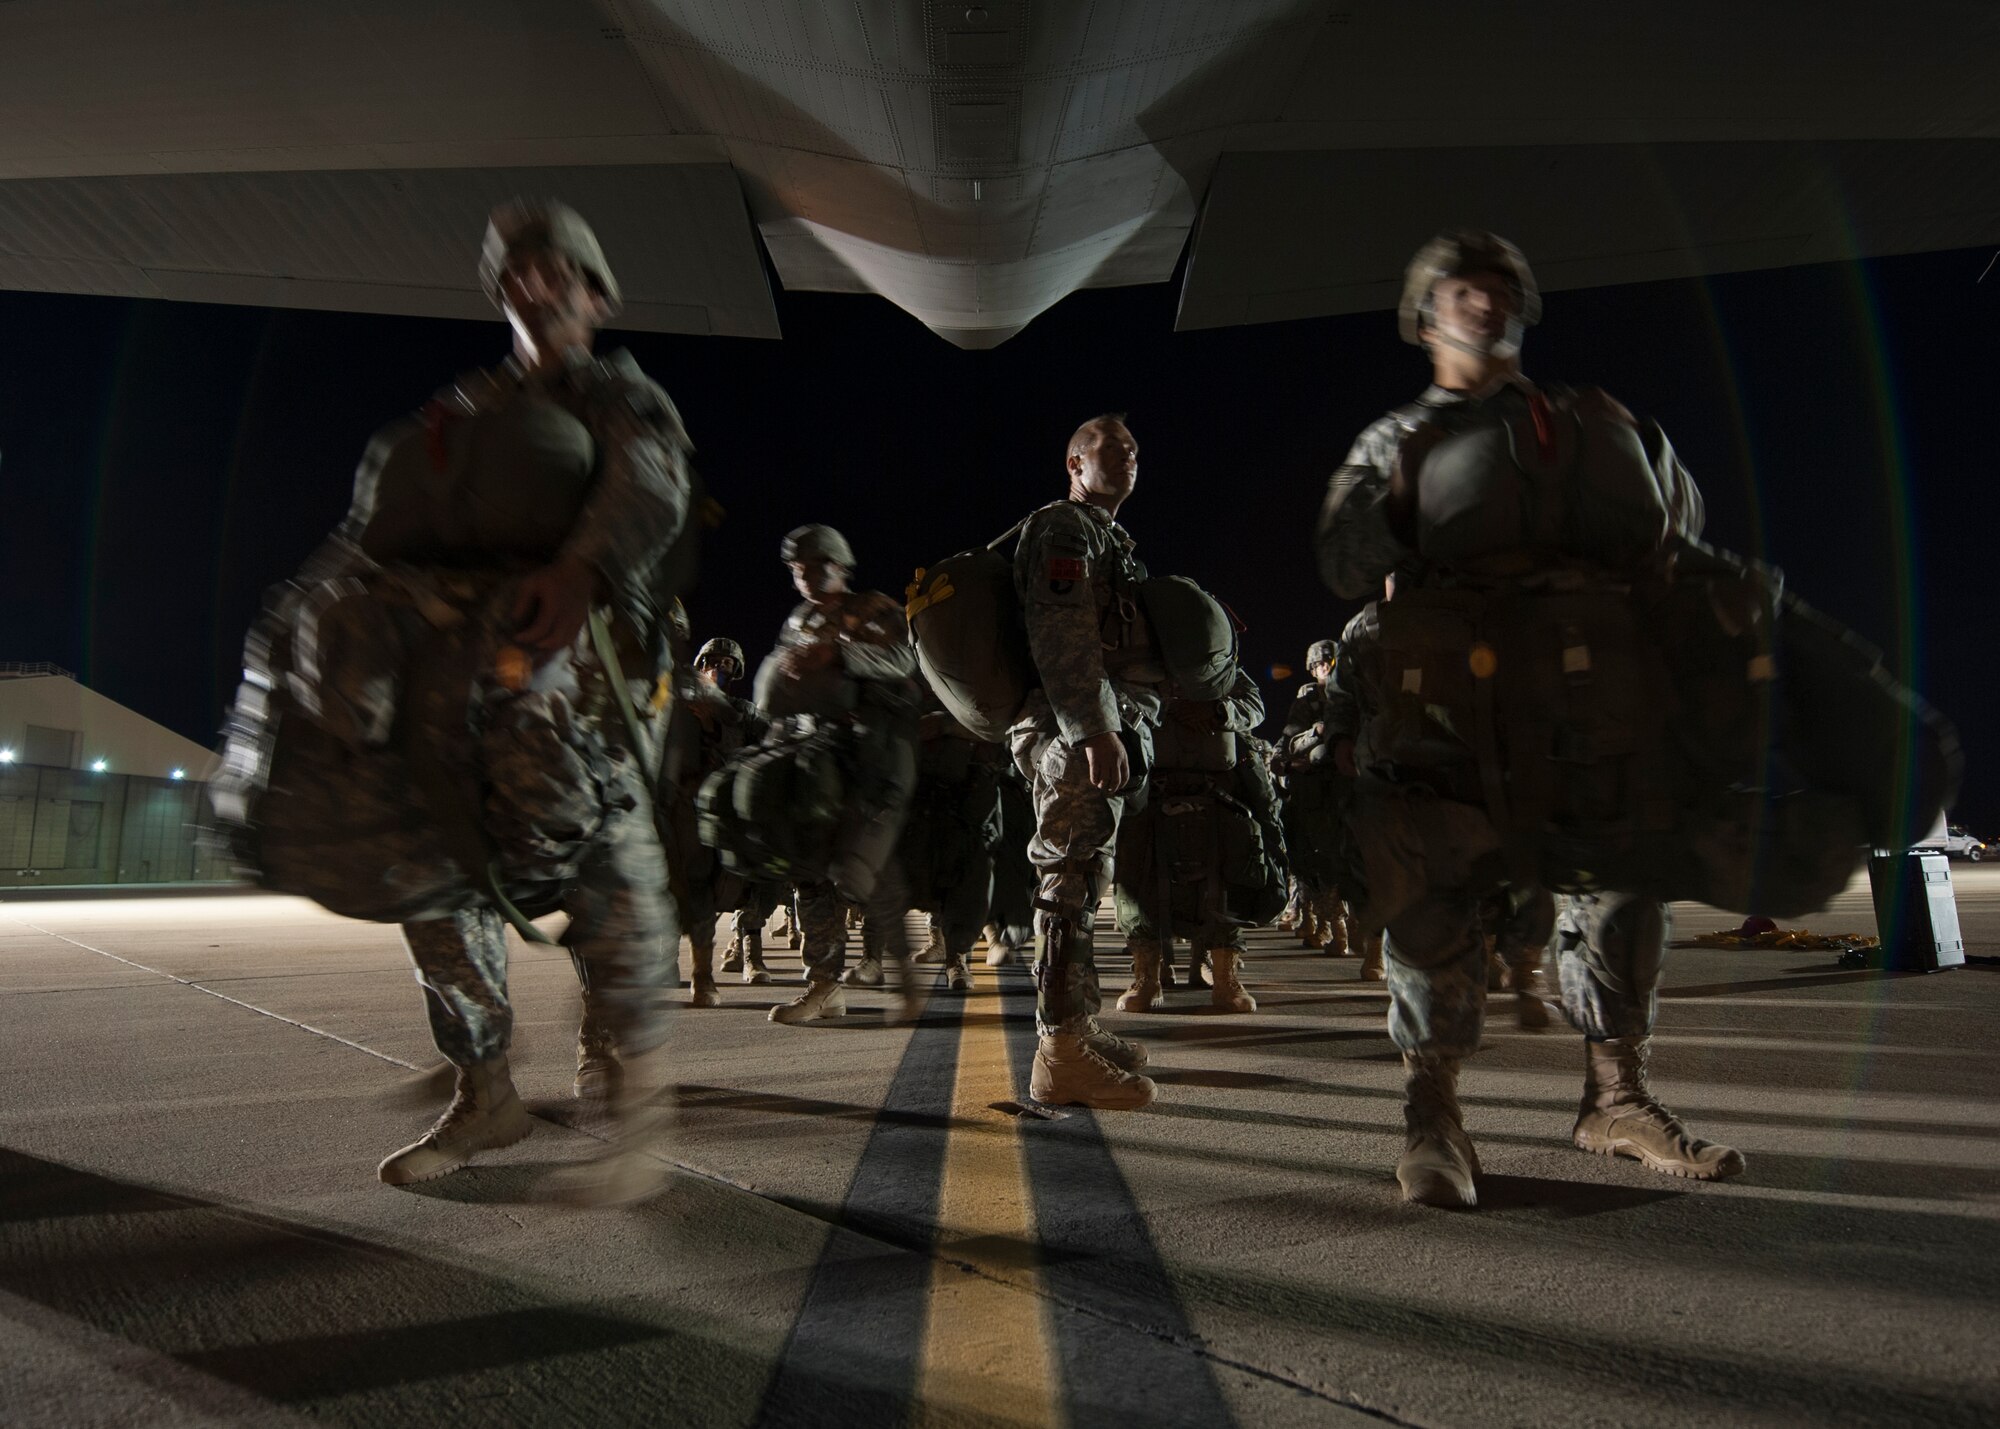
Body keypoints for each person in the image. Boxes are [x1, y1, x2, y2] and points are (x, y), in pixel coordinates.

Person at [214, 199, 697, 1200]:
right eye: (515, 267)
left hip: (568, 672)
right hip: (441, 683)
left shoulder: (614, 392)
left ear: (595, 291)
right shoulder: (463, 409)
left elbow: (649, 481)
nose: (532, 280)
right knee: (435, 875)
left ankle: (632, 1098)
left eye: (554, 266)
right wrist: (293, 620)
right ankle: (486, 1090)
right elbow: (366, 526)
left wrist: (578, 571)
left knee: (606, 864)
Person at [1315, 229, 1739, 1207]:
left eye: (1501, 288)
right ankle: (1431, 1120)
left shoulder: (1590, 424)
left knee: (1623, 888)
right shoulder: (1397, 440)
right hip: (1448, 703)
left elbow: (1675, 529)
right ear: (1426, 317)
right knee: (1433, 900)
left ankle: (1615, 1098)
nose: (1484, 302)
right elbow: (1342, 562)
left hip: (1580, 700)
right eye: (1463, 290)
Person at [1008, 415, 1161, 1109]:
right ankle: (1059, 1053)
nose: (1129, 453)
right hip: (1070, 729)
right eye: (1111, 445)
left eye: (1134, 447)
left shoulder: (1108, 538)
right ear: (1074, 459)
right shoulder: (1064, 529)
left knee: (1085, 871)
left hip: (1092, 724)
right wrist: (1094, 728)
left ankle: (1074, 1025)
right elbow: (1061, 633)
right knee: (1068, 877)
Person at [756, 525, 925, 1026]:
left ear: (840, 566)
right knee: (808, 872)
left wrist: (843, 653)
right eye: (795, 569)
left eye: (812, 566)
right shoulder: (799, 618)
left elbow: (903, 658)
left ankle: (903, 978)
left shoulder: (872, 608)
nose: (803, 576)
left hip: (870, 757)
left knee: (866, 871)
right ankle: (824, 986)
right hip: (813, 754)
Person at [1113, 666, 1279, 1013]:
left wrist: (1218, 711)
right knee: (1136, 880)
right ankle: (1146, 976)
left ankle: (1225, 978)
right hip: (1150, 787)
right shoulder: (1133, 660)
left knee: (1228, 879)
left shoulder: (1218, 666)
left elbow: (1254, 705)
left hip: (1217, 788)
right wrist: (1160, 705)